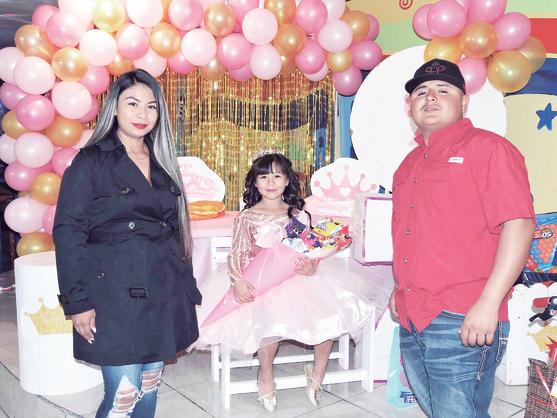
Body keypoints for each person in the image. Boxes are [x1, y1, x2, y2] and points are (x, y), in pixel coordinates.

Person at [390, 58, 536, 417]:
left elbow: (519, 225)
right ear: (410, 106)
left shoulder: (488, 149)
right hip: (414, 314)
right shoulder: (408, 165)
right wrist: (398, 289)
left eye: (443, 90)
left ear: (465, 102)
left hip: (464, 315)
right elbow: (411, 234)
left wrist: (489, 303)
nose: (430, 97)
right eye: (421, 92)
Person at [53, 69, 202, 418]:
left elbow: (175, 231)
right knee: (123, 394)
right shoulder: (92, 161)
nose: (142, 114)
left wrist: (185, 287)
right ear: (114, 108)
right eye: (132, 104)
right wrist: (77, 302)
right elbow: (68, 231)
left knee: (149, 385)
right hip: (113, 292)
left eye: (151, 106)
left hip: (161, 287)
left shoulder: (163, 162)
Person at [194, 152, 375, 412]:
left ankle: (317, 373)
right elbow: (236, 254)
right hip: (261, 281)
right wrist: (238, 281)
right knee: (270, 318)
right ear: (255, 183)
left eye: (277, 176)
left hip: (299, 278)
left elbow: (310, 249)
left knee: (329, 314)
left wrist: (312, 266)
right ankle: (266, 374)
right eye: (264, 177)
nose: (270, 182)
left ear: (287, 181)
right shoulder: (247, 217)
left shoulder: (298, 215)